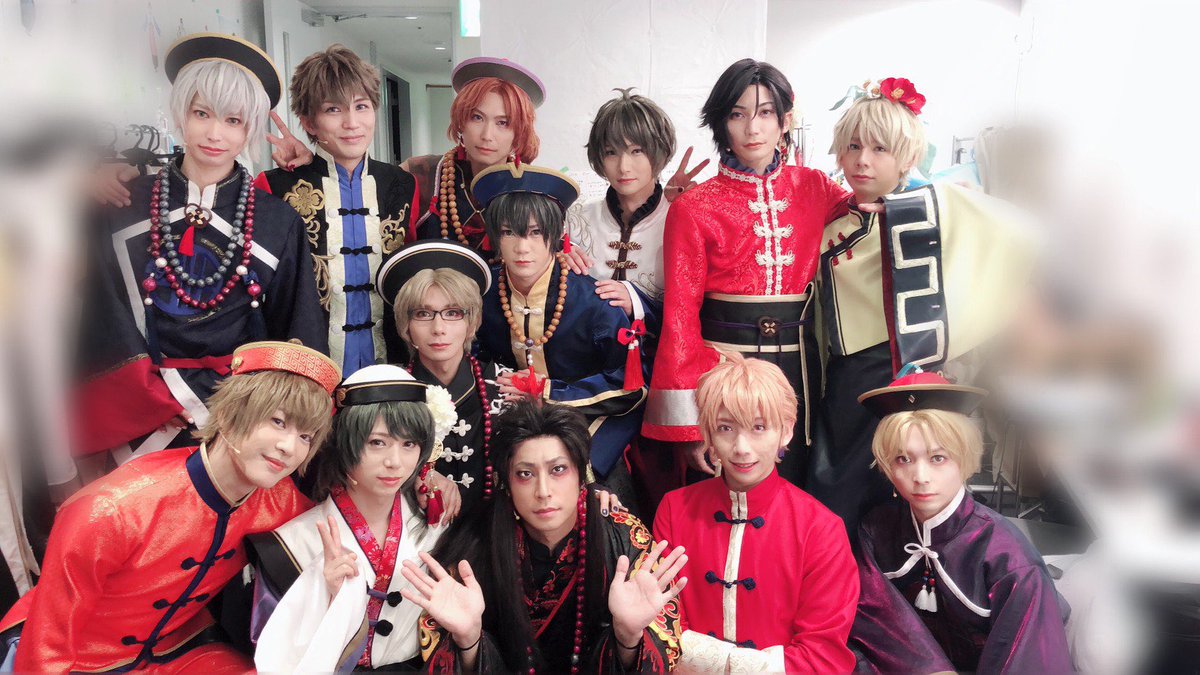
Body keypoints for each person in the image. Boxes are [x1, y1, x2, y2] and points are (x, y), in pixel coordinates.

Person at [0, 340, 340, 672]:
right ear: (230, 413)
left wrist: (333, 584)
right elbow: (46, 647)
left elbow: (338, 536)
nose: (289, 447)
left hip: (176, 650)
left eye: (306, 437)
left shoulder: (281, 502)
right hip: (76, 657)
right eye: (278, 421)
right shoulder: (112, 511)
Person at [75, 34, 326, 460]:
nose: (214, 133)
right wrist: (76, 178)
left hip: (244, 417)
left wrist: (257, 406)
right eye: (201, 113)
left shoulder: (278, 222)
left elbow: (296, 332)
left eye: (233, 120)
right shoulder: (122, 204)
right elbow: (99, 317)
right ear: (181, 115)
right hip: (139, 416)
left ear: (250, 128)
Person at [806, 77, 1035, 535]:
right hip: (843, 380)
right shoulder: (833, 218)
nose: (863, 160)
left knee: (909, 493)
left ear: (907, 157)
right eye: (853, 147)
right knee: (835, 494)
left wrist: (905, 210)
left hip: (905, 371)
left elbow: (1021, 230)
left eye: (880, 149)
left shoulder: (928, 211)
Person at [642, 58, 851, 501]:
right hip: (721, 370)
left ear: (785, 120)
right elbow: (680, 318)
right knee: (724, 494)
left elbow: (864, 211)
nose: (753, 128)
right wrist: (690, 425)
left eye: (766, 113)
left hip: (799, 372)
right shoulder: (693, 207)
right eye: (737, 114)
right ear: (722, 123)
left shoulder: (815, 187)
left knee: (793, 495)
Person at [400, 402, 686, 673]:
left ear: (582, 475)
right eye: (525, 474)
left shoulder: (626, 541)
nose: (543, 491)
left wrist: (628, 636)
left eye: (558, 470)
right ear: (507, 484)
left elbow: (661, 649)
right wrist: (468, 640)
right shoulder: (475, 544)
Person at [849, 367, 1072, 673]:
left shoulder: (1009, 557)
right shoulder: (875, 530)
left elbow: (1028, 656)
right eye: (903, 459)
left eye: (938, 458)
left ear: (964, 458)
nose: (921, 477)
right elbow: (870, 614)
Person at [653, 352, 859, 672]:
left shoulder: (821, 529)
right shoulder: (674, 510)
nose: (742, 448)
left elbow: (823, 657)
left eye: (759, 427)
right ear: (708, 434)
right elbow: (661, 626)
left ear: (786, 431)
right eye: (725, 428)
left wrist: (718, 662)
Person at [251, 364, 457, 671]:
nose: (395, 462)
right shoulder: (290, 543)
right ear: (344, 441)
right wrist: (322, 597)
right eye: (377, 442)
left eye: (409, 444)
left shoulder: (434, 529)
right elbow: (270, 653)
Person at [471, 163, 647, 501]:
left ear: (556, 234)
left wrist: (549, 391)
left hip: (587, 432)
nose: (522, 247)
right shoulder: (483, 295)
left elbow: (631, 388)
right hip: (506, 433)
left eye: (535, 232)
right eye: (508, 232)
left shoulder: (595, 303)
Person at [253, 44, 420, 375]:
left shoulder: (403, 185)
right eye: (333, 109)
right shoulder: (273, 187)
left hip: (392, 365)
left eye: (362, 106)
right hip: (303, 370)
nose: (352, 123)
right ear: (309, 122)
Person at [378, 241, 501, 513]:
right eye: (423, 314)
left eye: (453, 313)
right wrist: (417, 475)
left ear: (472, 322)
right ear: (406, 326)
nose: (438, 328)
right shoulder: (386, 393)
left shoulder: (504, 385)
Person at [404, 57, 544, 256]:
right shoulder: (420, 173)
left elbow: (550, 247)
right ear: (461, 121)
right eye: (477, 117)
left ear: (520, 132)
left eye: (503, 123)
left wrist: (565, 252)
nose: (487, 135)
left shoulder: (532, 187)